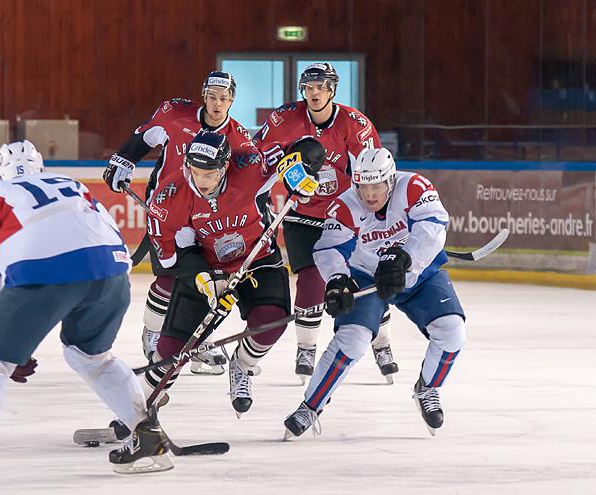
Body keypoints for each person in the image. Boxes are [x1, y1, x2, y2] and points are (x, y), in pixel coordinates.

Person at [0, 141, 171, 483]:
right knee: (92, 357)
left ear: (0, 170)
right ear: (40, 166)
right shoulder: (72, 185)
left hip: (43, 274)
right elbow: (113, 236)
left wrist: (9, 346)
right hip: (111, 273)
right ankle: (147, 434)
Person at [282, 148, 465, 439]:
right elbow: (330, 248)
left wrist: (405, 258)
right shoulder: (344, 205)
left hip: (418, 274)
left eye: (376, 185)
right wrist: (338, 281)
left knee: (451, 330)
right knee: (352, 339)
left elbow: (433, 227)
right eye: (362, 186)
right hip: (365, 276)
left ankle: (427, 389)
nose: (369, 194)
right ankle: (310, 407)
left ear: (390, 181)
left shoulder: (414, 187)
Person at [142, 130, 319, 417]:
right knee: (172, 348)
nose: (201, 182)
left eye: (209, 174)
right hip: (206, 266)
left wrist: (300, 171)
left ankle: (243, 364)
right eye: (194, 172)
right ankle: (140, 406)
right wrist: (207, 283)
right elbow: (175, 256)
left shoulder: (249, 164)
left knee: (272, 322)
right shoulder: (170, 195)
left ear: (224, 166)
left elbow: (306, 147)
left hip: (257, 258)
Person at [253, 62, 399, 384]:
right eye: (309, 87)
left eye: (321, 87)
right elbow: (258, 157)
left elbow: (374, 173)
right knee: (309, 281)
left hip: (344, 217)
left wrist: (380, 214)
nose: (314, 93)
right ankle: (305, 348)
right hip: (301, 215)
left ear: (332, 90)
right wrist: (286, 174)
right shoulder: (284, 119)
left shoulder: (355, 124)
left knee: (365, 279)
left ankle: (382, 343)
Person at [103, 71, 258, 375]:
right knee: (169, 276)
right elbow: (143, 137)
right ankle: (153, 334)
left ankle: (198, 341)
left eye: (224, 99)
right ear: (204, 96)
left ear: (232, 100)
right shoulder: (175, 114)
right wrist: (123, 159)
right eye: (212, 97)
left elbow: (250, 182)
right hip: (170, 209)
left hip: (210, 218)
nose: (217, 104)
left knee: (210, 278)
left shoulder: (239, 138)